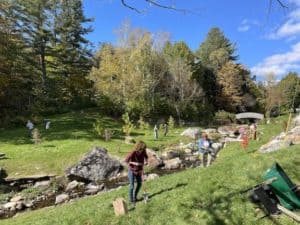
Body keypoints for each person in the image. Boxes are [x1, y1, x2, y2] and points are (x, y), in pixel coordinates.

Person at [125, 141, 148, 206]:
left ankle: (135, 197)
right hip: (131, 170)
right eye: (141, 149)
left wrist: (146, 161)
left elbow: (146, 157)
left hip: (139, 170)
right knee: (132, 186)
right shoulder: (133, 153)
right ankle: (131, 200)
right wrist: (135, 163)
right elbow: (126, 161)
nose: (142, 151)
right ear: (138, 148)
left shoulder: (143, 151)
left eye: (143, 149)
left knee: (139, 184)